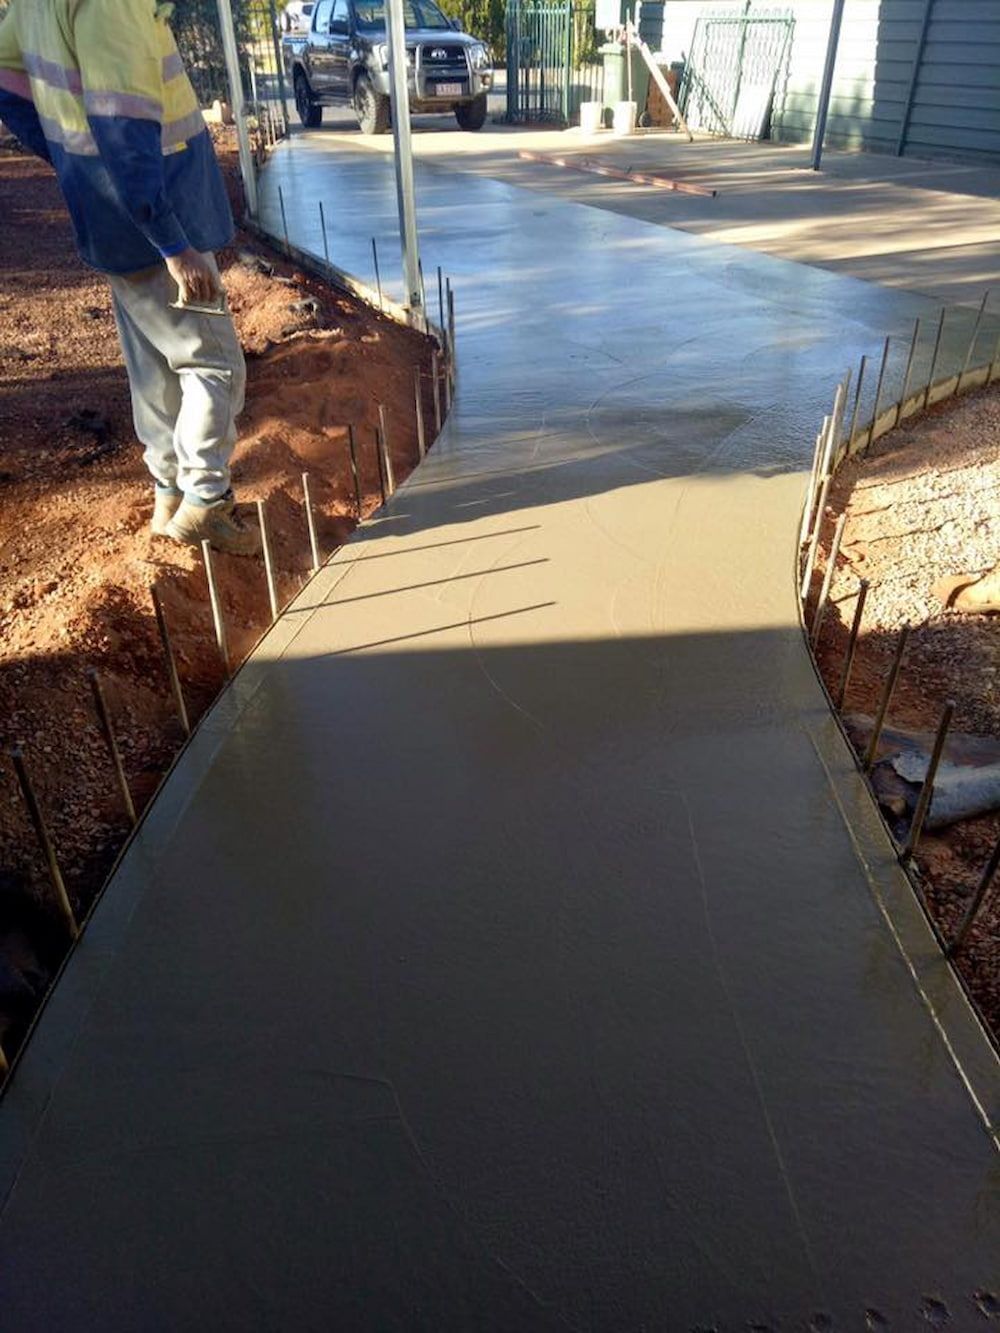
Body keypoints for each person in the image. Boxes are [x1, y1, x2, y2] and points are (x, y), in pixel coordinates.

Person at [0, 0, 260, 556]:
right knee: (213, 364)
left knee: (155, 366)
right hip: (158, 221)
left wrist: (72, 161)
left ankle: (169, 493)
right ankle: (206, 502)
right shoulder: (113, 5)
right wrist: (173, 244)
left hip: (109, 215)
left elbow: (8, 81)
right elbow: (123, 129)